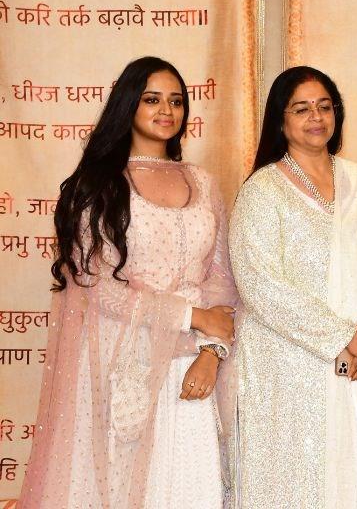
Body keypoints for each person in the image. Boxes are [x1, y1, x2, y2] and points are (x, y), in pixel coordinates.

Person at [18, 56, 239, 509]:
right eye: (152, 99)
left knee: (190, 490)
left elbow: (222, 279)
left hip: (191, 361)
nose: (167, 111)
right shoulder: (98, 186)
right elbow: (95, 285)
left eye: (176, 101)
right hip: (121, 359)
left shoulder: (203, 182)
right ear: (128, 105)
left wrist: (211, 353)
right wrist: (190, 316)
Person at [228, 65, 357, 508]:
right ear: (280, 119)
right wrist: (344, 337)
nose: (316, 117)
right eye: (302, 108)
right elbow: (260, 284)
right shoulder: (263, 190)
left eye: (325, 106)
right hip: (289, 371)